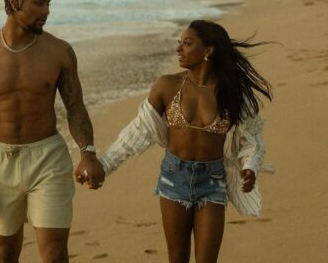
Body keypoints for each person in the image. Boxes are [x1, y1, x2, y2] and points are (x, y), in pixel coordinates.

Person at [98, 20, 273, 263]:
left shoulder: (232, 93)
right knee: (177, 257)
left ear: (208, 51)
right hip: (173, 177)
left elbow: (251, 139)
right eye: (179, 42)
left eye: (187, 43)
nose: (179, 48)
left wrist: (250, 167)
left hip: (213, 182)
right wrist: (105, 164)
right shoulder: (167, 86)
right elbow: (137, 130)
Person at [0, 0, 105, 263]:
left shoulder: (59, 51)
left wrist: (88, 151)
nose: (46, 11)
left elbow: (75, 106)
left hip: (47, 158)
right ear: (14, 2)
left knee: (54, 253)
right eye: (39, 3)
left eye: (48, 4)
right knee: (6, 253)